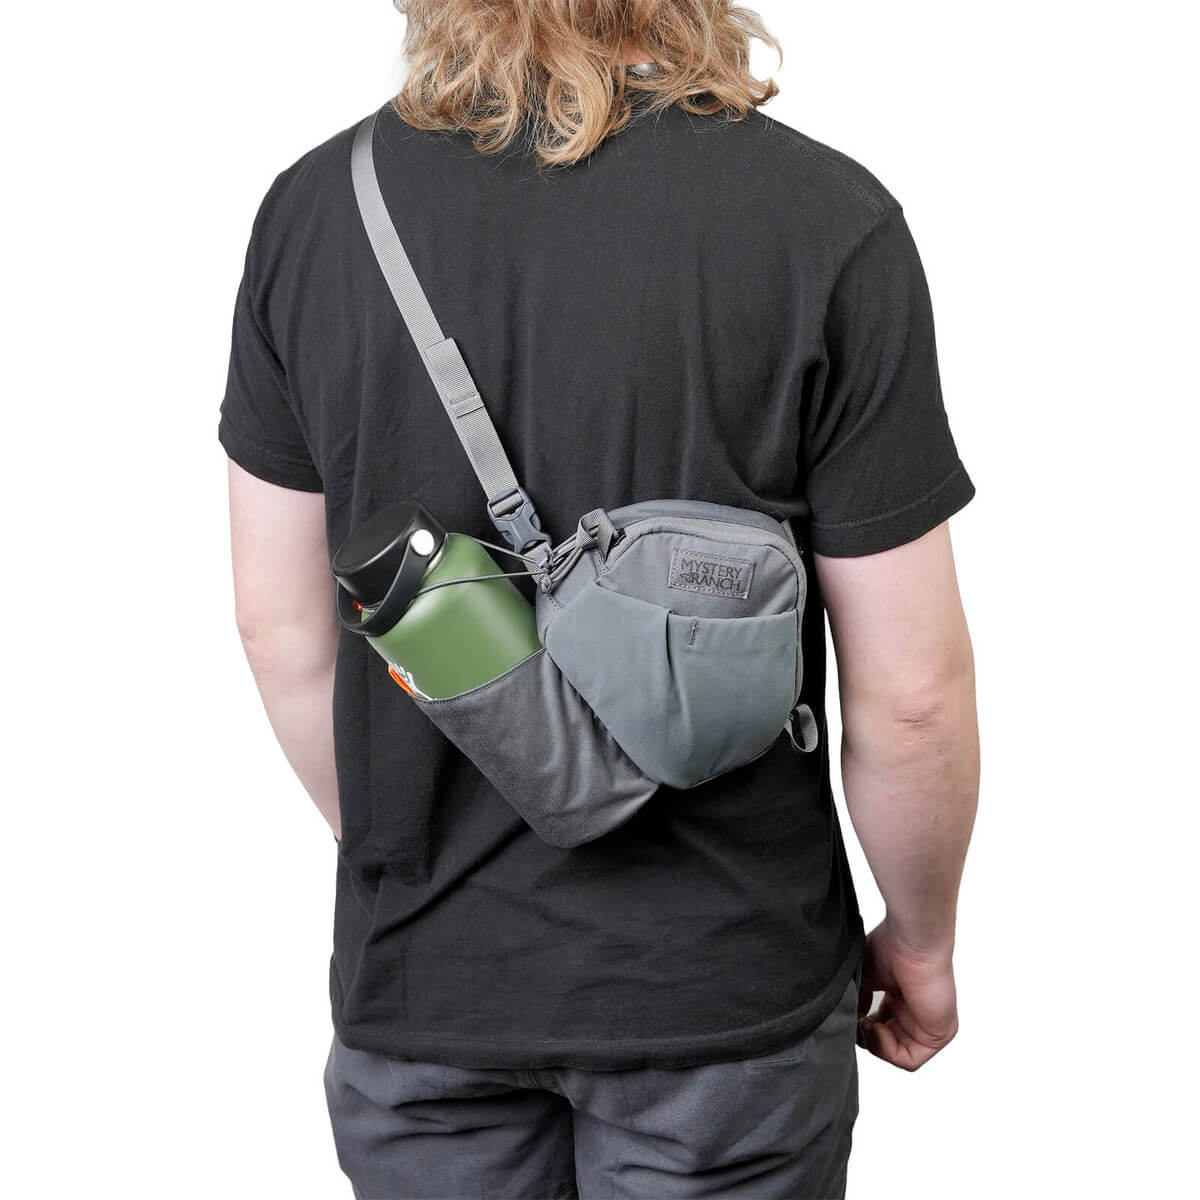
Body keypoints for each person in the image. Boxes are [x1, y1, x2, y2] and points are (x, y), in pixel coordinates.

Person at [219, 2, 980, 1196]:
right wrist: (921, 939)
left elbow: (281, 631)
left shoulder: (315, 212)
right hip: (726, 993)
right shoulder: (825, 219)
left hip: (428, 990)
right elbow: (914, 694)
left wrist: (410, 865)